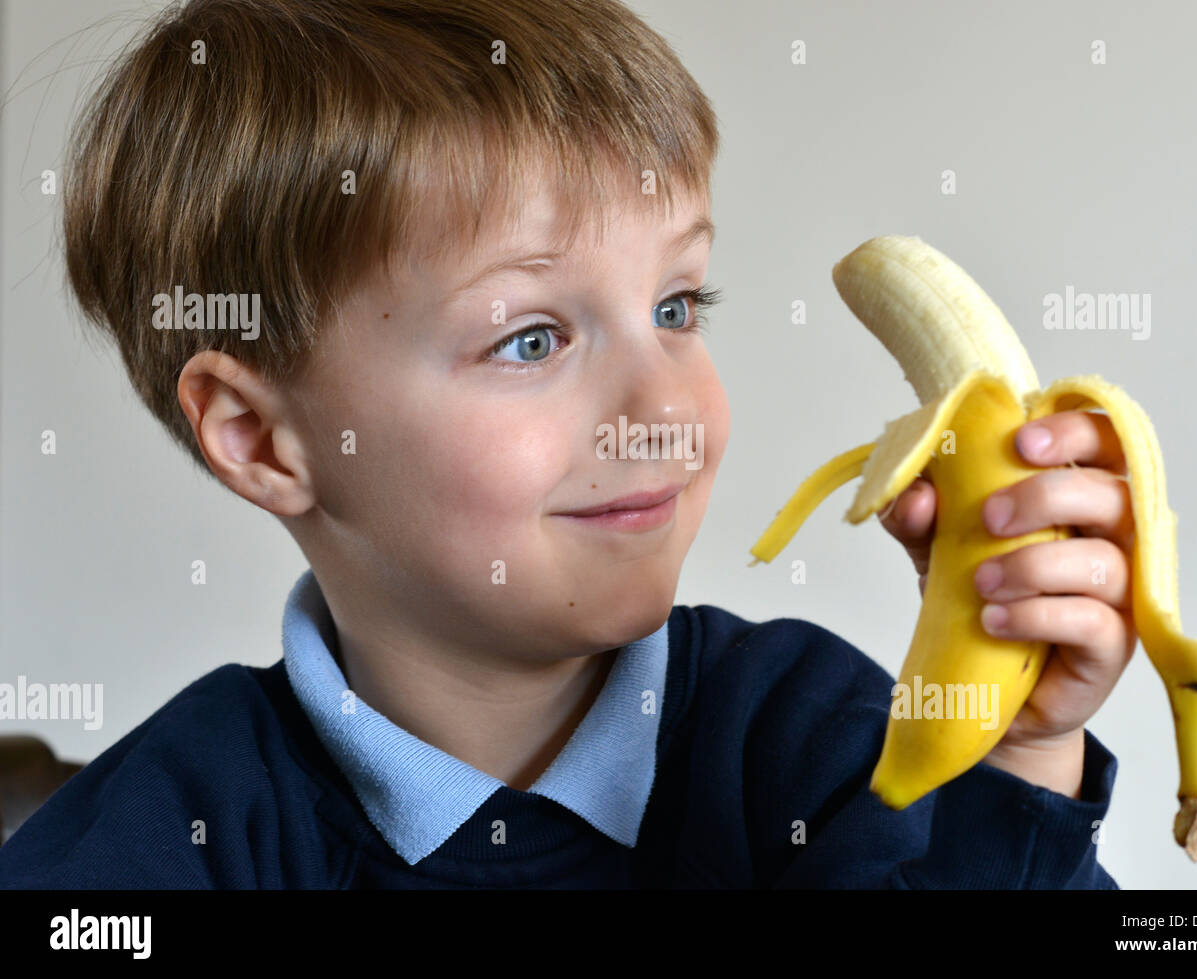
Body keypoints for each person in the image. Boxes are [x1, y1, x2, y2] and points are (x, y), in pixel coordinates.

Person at [0, 0, 1134, 888]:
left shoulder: (811, 741)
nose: (663, 404)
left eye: (678, 306)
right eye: (532, 337)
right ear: (261, 438)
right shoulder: (166, 837)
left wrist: (1018, 756)